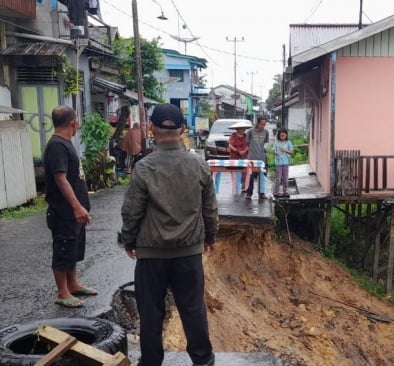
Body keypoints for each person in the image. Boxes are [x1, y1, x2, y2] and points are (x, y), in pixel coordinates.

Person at [119, 103, 218, 366]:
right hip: (189, 253)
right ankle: (203, 360)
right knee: (193, 309)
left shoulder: (143, 167)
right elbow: (210, 208)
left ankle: (151, 362)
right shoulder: (200, 165)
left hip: (151, 255)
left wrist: (128, 240)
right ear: (183, 129)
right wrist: (210, 236)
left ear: (151, 129)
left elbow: (132, 211)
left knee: (151, 313)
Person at [42, 105, 96, 309]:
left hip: (74, 211)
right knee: (63, 248)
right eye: (77, 122)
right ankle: (62, 292)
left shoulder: (65, 143)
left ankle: (73, 284)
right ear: (73, 123)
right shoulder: (57, 146)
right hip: (63, 211)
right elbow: (60, 179)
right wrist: (76, 206)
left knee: (73, 247)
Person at [245, 115, 269, 200]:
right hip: (252, 158)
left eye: (264, 124)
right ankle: (249, 193)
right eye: (262, 124)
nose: (263, 126)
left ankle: (261, 193)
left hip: (262, 157)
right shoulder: (250, 132)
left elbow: (265, 144)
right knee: (251, 176)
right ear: (258, 123)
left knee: (262, 176)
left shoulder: (266, 132)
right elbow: (247, 144)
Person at [227, 120, 251, 193]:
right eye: (241, 128)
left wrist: (244, 151)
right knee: (235, 171)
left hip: (244, 156)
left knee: (245, 171)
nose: (243, 130)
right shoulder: (233, 136)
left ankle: (244, 186)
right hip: (235, 156)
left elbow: (249, 145)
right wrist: (237, 151)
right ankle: (236, 186)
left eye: (244, 128)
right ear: (237, 129)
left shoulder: (246, 136)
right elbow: (230, 145)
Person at [273, 128, 294, 198]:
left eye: (284, 135)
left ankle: (285, 191)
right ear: (279, 135)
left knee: (285, 178)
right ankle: (276, 191)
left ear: (286, 135)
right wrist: (276, 153)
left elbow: (292, 152)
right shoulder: (276, 142)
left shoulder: (288, 142)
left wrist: (285, 150)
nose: (282, 137)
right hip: (278, 163)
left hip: (286, 162)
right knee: (278, 178)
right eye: (281, 135)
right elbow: (273, 151)